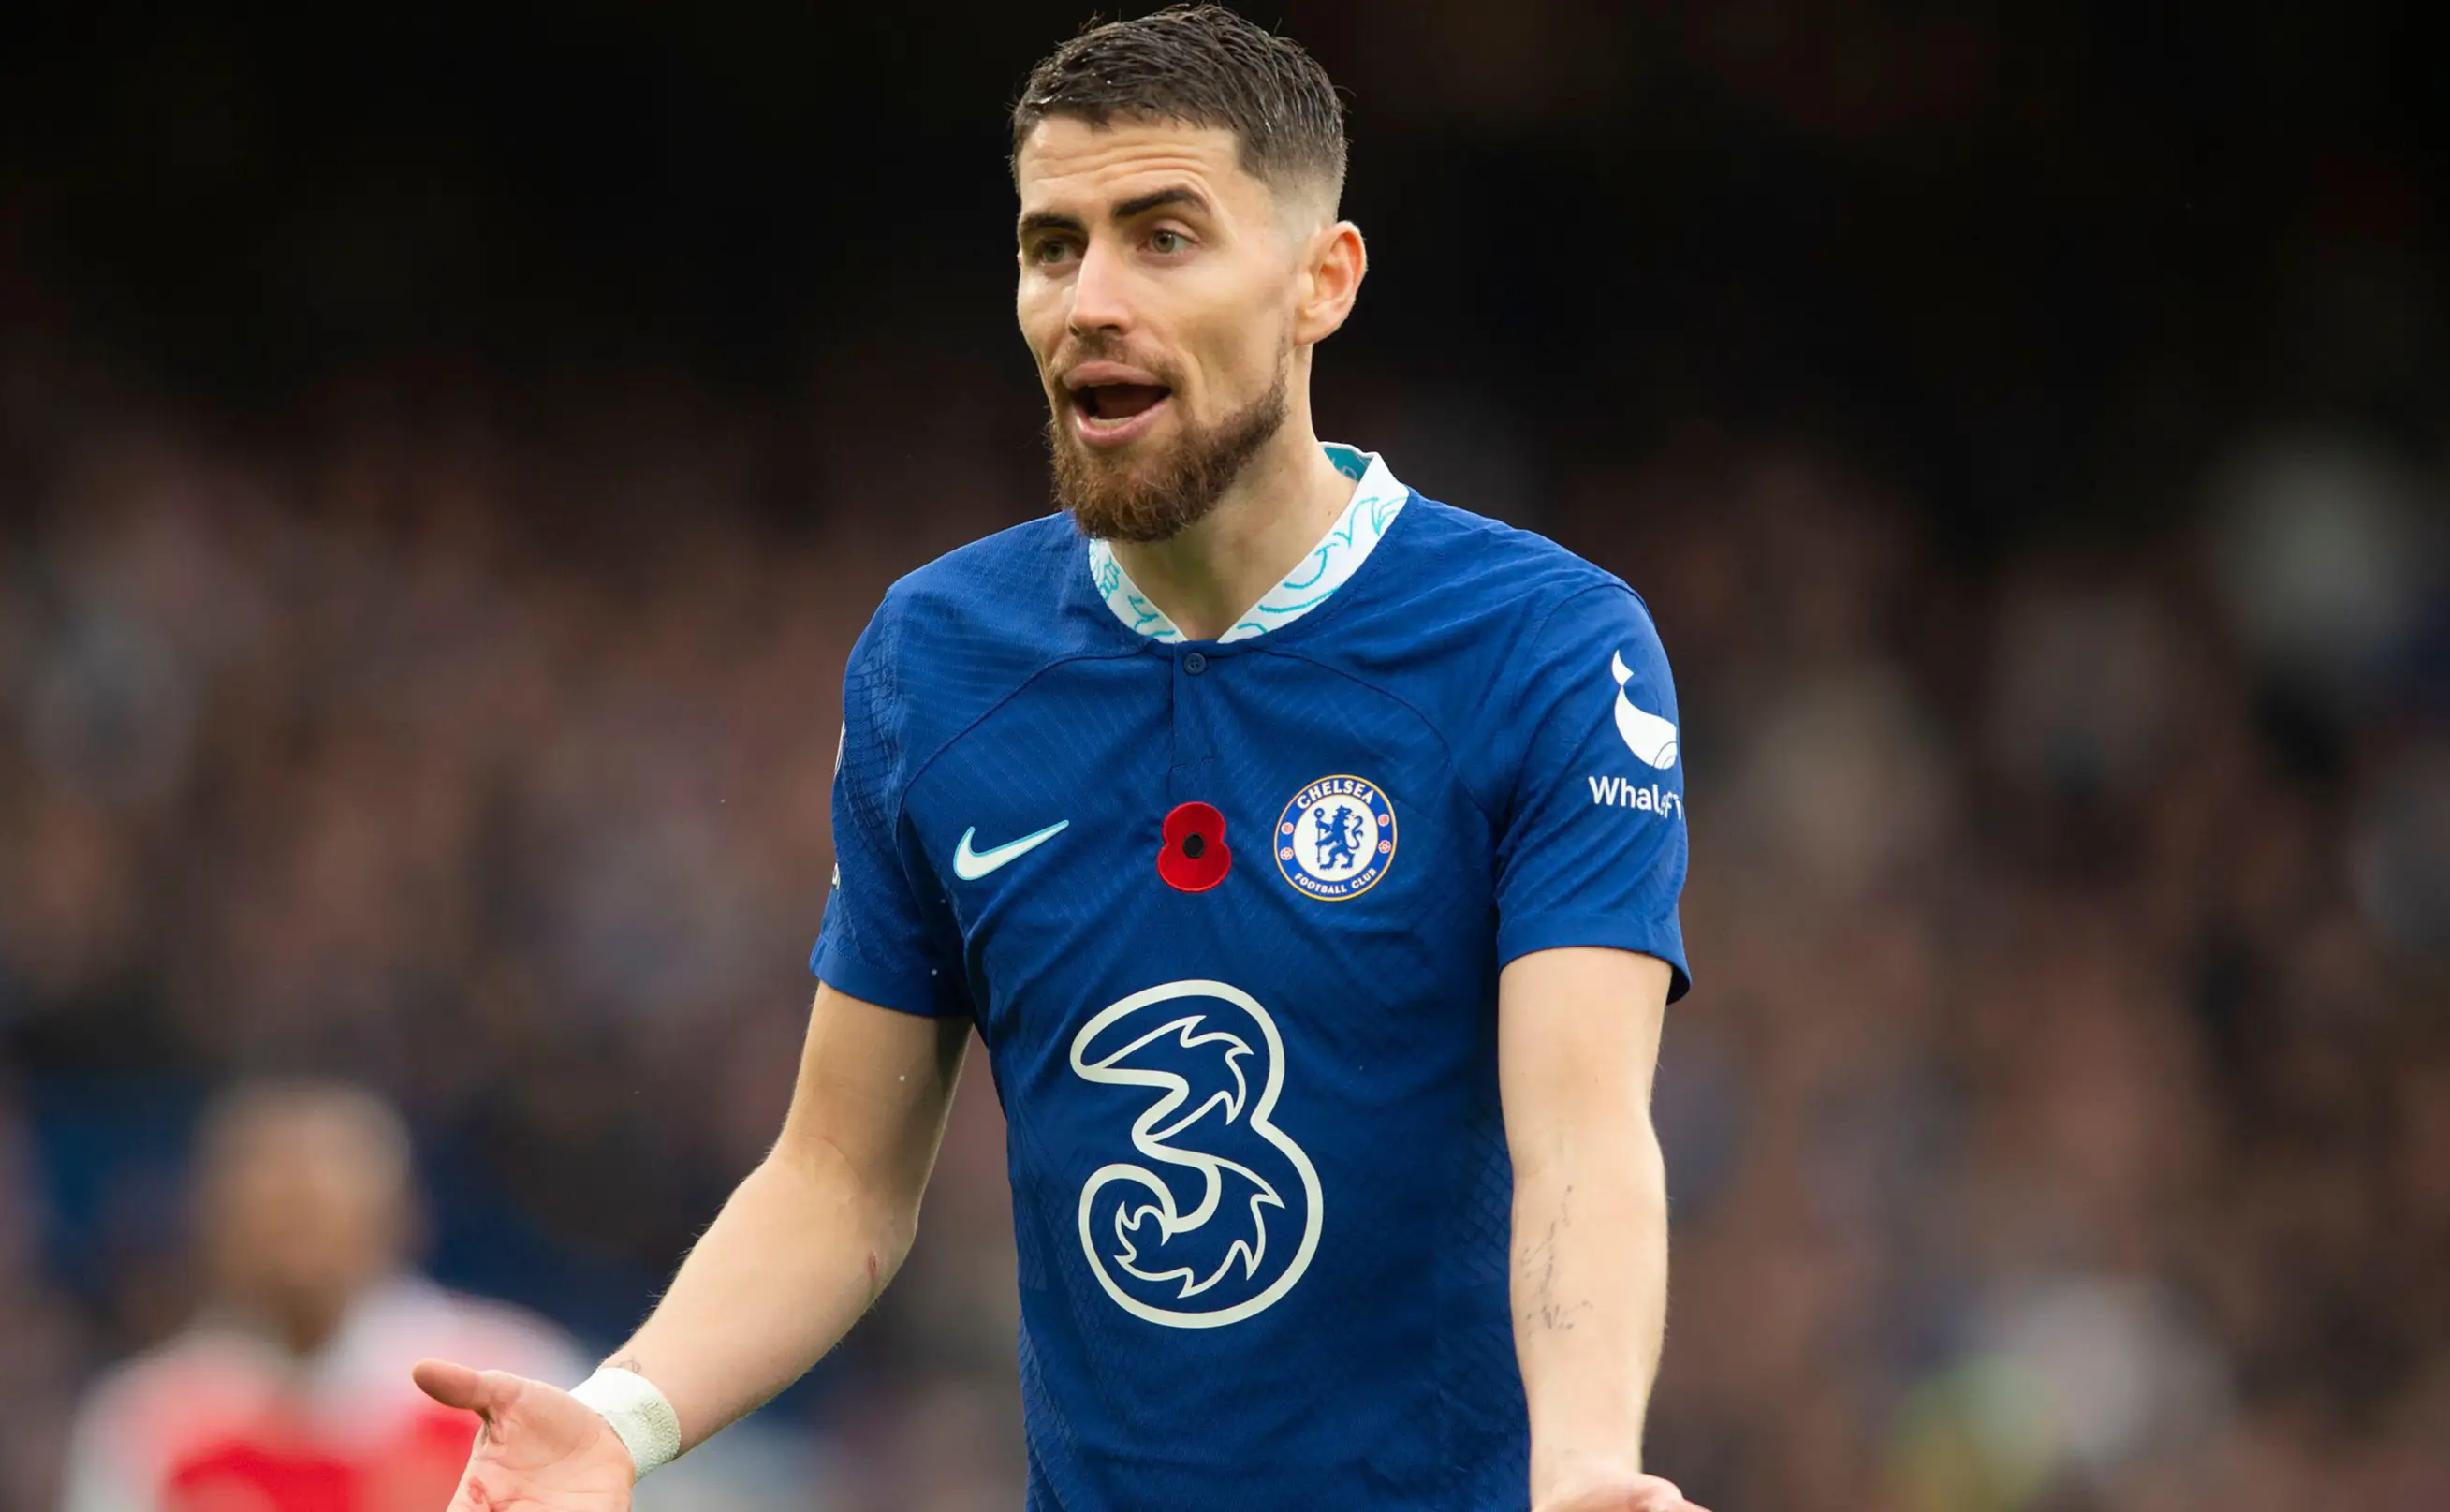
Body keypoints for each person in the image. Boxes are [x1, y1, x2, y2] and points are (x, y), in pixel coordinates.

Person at [415, 7, 1702, 1509]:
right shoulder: (936, 657)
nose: (1089, 298)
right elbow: (840, 1178)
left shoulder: (1544, 645)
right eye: (1051, 245)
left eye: (1164, 237)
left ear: (1320, 283)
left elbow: (1583, 1136)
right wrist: (622, 1417)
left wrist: (1590, 1465)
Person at [62, 1081, 580, 1512]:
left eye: (319, 1209)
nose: (297, 1239)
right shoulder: (147, 1425)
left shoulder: (511, 1387)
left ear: (402, 1215)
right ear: (213, 1223)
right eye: (275, 1209)